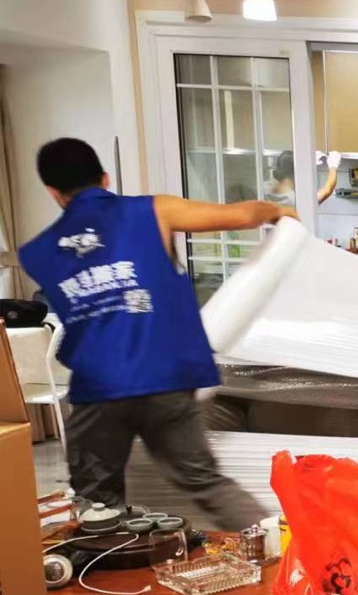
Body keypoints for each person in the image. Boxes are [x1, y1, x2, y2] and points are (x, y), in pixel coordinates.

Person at [19, 137, 296, 531]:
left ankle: (108, 561)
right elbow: (241, 215)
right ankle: (279, 549)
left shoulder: (36, 252)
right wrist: (278, 211)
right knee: (205, 482)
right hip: (167, 379)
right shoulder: (154, 211)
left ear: (52, 192)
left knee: (96, 502)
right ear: (105, 178)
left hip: (99, 388)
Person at [265, 150, 341, 206]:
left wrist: (306, 163)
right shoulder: (296, 201)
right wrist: (333, 165)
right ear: (296, 173)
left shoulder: (265, 189)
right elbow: (327, 190)